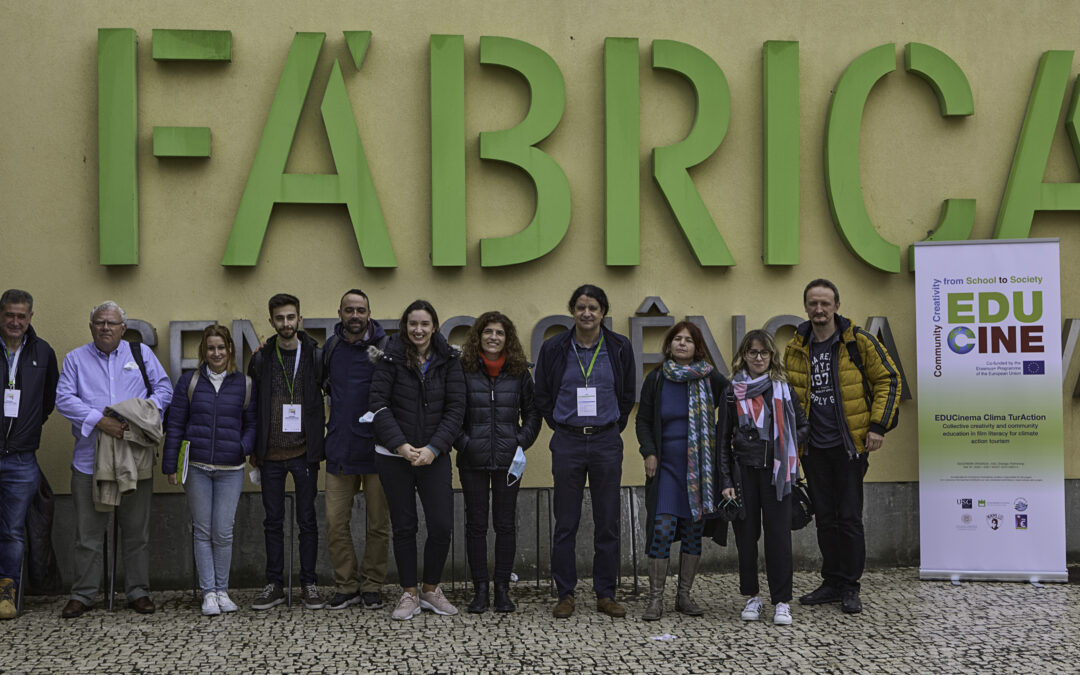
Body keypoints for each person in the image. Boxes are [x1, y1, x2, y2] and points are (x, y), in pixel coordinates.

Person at [784, 279, 902, 614]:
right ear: (806, 307)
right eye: (812, 304)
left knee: (848, 518)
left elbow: (889, 379)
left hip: (849, 445)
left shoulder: (858, 341)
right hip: (813, 447)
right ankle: (831, 581)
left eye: (825, 303)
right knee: (824, 517)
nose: (818, 310)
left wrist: (878, 426)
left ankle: (850, 585)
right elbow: (787, 395)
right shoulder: (796, 346)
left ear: (836, 305)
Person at [55, 301, 173, 618]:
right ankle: (83, 594)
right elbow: (63, 398)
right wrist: (99, 420)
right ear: (91, 326)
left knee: (137, 533)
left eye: (112, 323)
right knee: (87, 536)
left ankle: (138, 591)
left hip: (134, 458)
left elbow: (164, 390)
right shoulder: (75, 359)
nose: (105, 327)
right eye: (99, 322)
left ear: (123, 328)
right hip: (88, 462)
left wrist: (140, 416)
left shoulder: (141, 355)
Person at [534, 284, 635, 619]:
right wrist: (562, 426)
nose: (587, 313)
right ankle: (565, 593)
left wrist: (610, 427)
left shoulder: (620, 347)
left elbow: (626, 396)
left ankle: (605, 594)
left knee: (607, 521)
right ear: (572, 311)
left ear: (603, 312)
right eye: (581, 307)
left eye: (593, 307)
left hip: (606, 440)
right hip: (568, 441)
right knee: (566, 521)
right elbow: (543, 395)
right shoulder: (554, 347)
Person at [369, 299, 465, 620]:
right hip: (394, 457)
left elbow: (456, 409)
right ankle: (409, 592)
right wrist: (401, 445)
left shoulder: (449, 359)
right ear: (404, 326)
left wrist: (433, 448)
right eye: (413, 324)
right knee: (404, 526)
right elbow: (378, 405)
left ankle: (430, 589)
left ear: (434, 326)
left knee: (441, 525)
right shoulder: (388, 357)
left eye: (425, 324)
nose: (419, 330)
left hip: (434, 456)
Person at [635, 321, 728, 621]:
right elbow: (643, 420)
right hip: (666, 469)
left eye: (688, 340)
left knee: (692, 533)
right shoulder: (657, 379)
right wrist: (648, 451)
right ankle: (655, 600)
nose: (682, 344)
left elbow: (734, 402)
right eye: (677, 339)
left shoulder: (709, 377)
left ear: (697, 346)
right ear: (669, 344)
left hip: (699, 471)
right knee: (661, 529)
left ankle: (684, 597)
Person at [162, 324, 256, 616]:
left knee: (223, 532)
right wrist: (170, 465)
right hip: (198, 467)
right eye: (211, 348)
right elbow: (175, 424)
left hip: (231, 468)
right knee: (202, 531)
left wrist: (242, 446)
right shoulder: (189, 382)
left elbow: (253, 424)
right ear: (204, 351)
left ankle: (223, 590)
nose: (216, 353)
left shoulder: (245, 384)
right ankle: (208, 593)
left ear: (230, 350)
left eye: (221, 347)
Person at [719, 330, 808, 625]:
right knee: (746, 538)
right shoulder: (732, 391)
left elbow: (804, 426)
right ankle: (752, 597)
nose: (759, 358)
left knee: (778, 539)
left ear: (772, 357)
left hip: (777, 474)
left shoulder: (782, 388)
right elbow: (722, 440)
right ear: (744, 355)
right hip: (743, 473)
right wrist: (726, 481)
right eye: (753, 352)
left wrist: (786, 438)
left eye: (764, 353)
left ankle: (781, 601)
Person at [454, 311, 541, 613]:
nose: (493, 337)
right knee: (476, 525)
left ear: (508, 339)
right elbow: (451, 415)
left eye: (500, 333)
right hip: (472, 460)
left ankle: (502, 589)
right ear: (478, 336)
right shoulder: (462, 369)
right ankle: (480, 590)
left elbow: (533, 413)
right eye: (487, 331)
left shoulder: (519, 372)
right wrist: (464, 444)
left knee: (505, 525)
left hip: (509, 461)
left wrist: (520, 441)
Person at [247, 293, 326, 611]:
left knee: (307, 520)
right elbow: (252, 407)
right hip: (271, 454)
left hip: (304, 452)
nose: (286, 323)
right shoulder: (261, 358)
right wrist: (254, 447)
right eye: (279, 318)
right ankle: (274, 583)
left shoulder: (315, 356)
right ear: (271, 322)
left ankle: (309, 583)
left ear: (299, 319)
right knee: (273, 521)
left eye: (291, 317)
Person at [322, 289, 391, 611]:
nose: (354, 316)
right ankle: (346, 585)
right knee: (335, 523)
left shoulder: (388, 347)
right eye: (349, 310)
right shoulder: (330, 348)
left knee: (378, 524)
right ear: (340, 313)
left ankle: (372, 585)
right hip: (340, 447)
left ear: (369, 312)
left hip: (379, 450)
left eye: (360, 310)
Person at [0, 289, 58, 620]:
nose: (15, 321)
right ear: (0, 314)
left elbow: (47, 401)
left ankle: (6, 592)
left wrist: (27, 428)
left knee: (12, 530)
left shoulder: (43, 352)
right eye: (10, 314)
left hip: (22, 458)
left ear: (31, 318)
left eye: (22, 316)